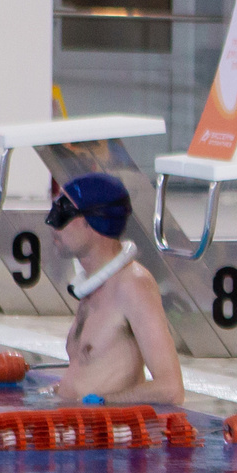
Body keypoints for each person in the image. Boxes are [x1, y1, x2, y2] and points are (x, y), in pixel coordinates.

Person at [48, 171, 185, 407]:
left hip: (105, 428)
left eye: (63, 212)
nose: (51, 224)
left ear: (92, 221)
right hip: (78, 423)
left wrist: (102, 402)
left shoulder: (133, 285)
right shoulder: (92, 286)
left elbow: (171, 389)